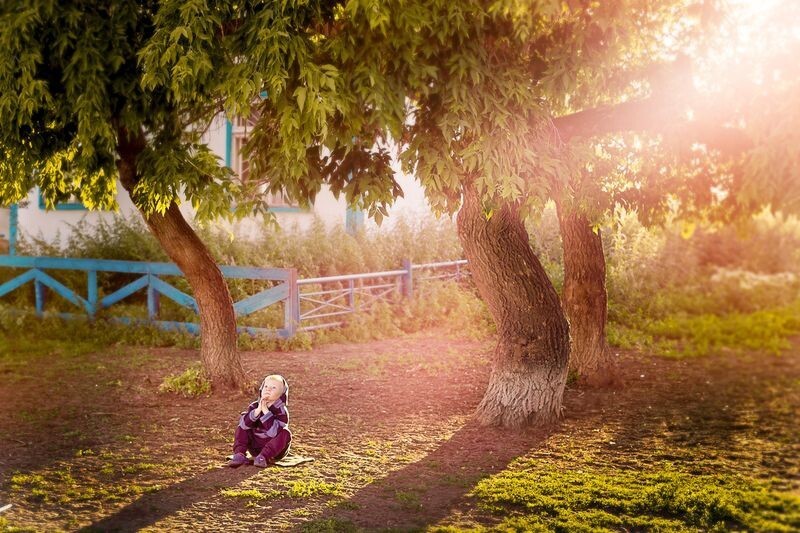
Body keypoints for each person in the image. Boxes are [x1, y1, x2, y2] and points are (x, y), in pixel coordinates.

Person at [227, 374, 292, 468]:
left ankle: (263, 457)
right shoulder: (254, 406)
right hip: (255, 447)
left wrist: (266, 411)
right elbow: (244, 425)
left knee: (285, 433)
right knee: (243, 424)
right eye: (266, 386)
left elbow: (274, 433)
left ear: (281, 394)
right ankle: (239, 454)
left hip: (274, 450)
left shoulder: (281, 411)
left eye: (273, 388)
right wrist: (258, 411)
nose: (268, 389)